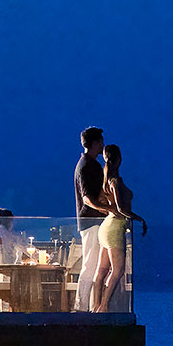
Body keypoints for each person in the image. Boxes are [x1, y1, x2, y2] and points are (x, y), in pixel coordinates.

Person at [92, 144, 147, 312]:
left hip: (107, 225)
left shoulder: (107, 179)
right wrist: (140, 219)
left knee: (102, 269)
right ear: (119, 159)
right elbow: (121, 208)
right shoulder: (114, 180)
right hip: (115, 227)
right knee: (117, 270)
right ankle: (104, 306)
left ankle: (95, 306)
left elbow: (105, 204)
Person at [73, 127, 110, 305]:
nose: (103, 145)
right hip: (91, 221)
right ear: (95, 143)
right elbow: (87, 198)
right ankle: (81, 306)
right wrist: (105, 210)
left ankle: (88, 304)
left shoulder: (90, 164)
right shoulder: (87, 166)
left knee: (93, 264)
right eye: (101, 142)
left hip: (92, 221)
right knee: (90, 264)